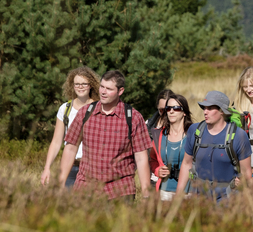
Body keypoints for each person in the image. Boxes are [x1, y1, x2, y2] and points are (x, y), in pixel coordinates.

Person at [59, 70, 153, 201]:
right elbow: (70, 149)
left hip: (120, 191)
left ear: (120, 91)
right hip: (86, 190)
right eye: (102, 86)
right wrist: (59, 184)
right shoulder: (84, 113)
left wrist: (146, 193)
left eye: (109, 89)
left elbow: (141, 158)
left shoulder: (133, 118)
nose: (103, 92)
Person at [176, 90, 253, 201]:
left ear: (222, 111)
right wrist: (178, 196)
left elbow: (246, 173)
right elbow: (186, 164)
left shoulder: (239, 136)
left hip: (227, 199)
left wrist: (242, 182)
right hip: (199, 197)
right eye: (204, 108)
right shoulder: (195, 130)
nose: (205, 112)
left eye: (210, 108)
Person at [40, 66, 100, 187]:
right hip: (70, 168)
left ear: (91, 85)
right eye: (77, 84)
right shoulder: (65, 109)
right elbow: (56, 142)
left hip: (93, 169)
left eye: (84, 83)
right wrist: (47, 167)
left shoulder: (99, 108)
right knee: (66, 204)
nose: (80, 87)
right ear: (72, 85)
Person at [149, 93, 193, 201]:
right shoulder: (159, 135)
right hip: (164, 192)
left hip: (189, 192)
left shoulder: (193, 135)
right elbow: (152, 159)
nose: (171, 111)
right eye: (168, 109)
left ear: (184, 112)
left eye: (176, 108)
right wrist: (157, 170)